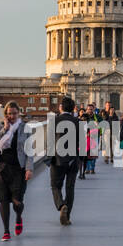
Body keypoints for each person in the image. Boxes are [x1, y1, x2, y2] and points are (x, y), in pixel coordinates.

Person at [0, 100, 34, 241]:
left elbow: (29, 151)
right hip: (1, 168)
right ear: (6, 114)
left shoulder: (25, 127)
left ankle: (18, 217)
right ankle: (6, 231)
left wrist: (29, 169)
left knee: (17, 201)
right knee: (3, 200)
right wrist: (4, 128)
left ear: (19, 113)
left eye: (14, 113)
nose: (12, 116)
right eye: (9, 114)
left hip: (18, 169)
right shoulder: (0, 126)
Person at [49, 96, 81, 225]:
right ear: (73, 108)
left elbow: (49, 142)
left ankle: (61, 205)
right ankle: (67, 217)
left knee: (55, 186)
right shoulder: (78, 121)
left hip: (58, 158)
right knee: (70, 187)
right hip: (73, 159)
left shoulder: (54, 121)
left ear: (61, 107)